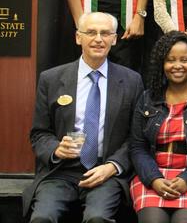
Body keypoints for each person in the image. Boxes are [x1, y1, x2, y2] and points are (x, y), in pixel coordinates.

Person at [24, 12, 144, 222]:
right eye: (91, 32)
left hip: (105, 170)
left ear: (114, 39)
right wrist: (56, 149)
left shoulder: (132, 81)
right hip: (61, 171)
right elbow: (39, 133)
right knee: (42, 218)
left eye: (105, 33)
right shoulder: (51, 79)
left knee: (97, 218)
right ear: (78, 37)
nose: (98, 39)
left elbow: (137, 137)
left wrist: (112, 166)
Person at [129, 31, 187, 223]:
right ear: (162, 64)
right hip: (153, 176)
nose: (177, 65)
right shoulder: (147, 99)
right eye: (170, 60)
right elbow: (137, 147)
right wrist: (154, 179)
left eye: (185, 60)